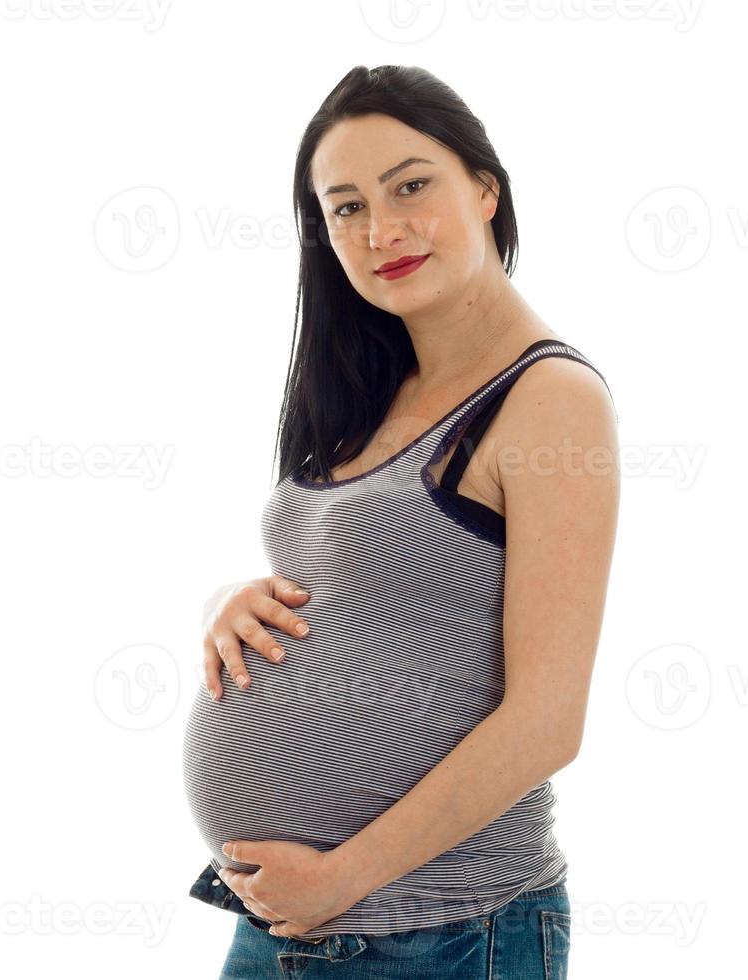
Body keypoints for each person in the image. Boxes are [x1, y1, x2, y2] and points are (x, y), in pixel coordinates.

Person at [181, 64, 620, 979]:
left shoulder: (551, 401)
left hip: (442, 933)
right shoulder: (375, 382)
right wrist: (230, 601)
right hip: (281, 924)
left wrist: (342, 877)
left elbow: (548, 720)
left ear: (486, 189)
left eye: (410, 186)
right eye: (344, 208)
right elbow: (356, 581)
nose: (380, 231)